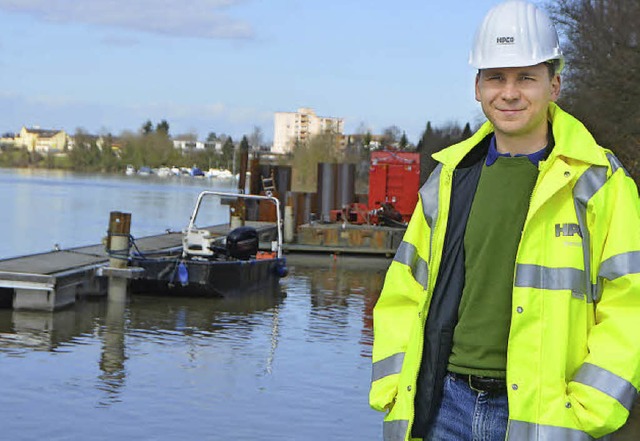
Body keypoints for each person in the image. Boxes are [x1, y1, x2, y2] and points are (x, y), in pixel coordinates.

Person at [369, 1, 640, 440]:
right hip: (443, 407)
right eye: (496, 77)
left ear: (554, 85)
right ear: (477, 87)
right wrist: (392, 385)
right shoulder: (450, 179)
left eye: (526, 78)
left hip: (545, 415)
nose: (509, 93)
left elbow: (630, 305)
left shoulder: (599, 182)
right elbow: (404, 289)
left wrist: (592, 407)